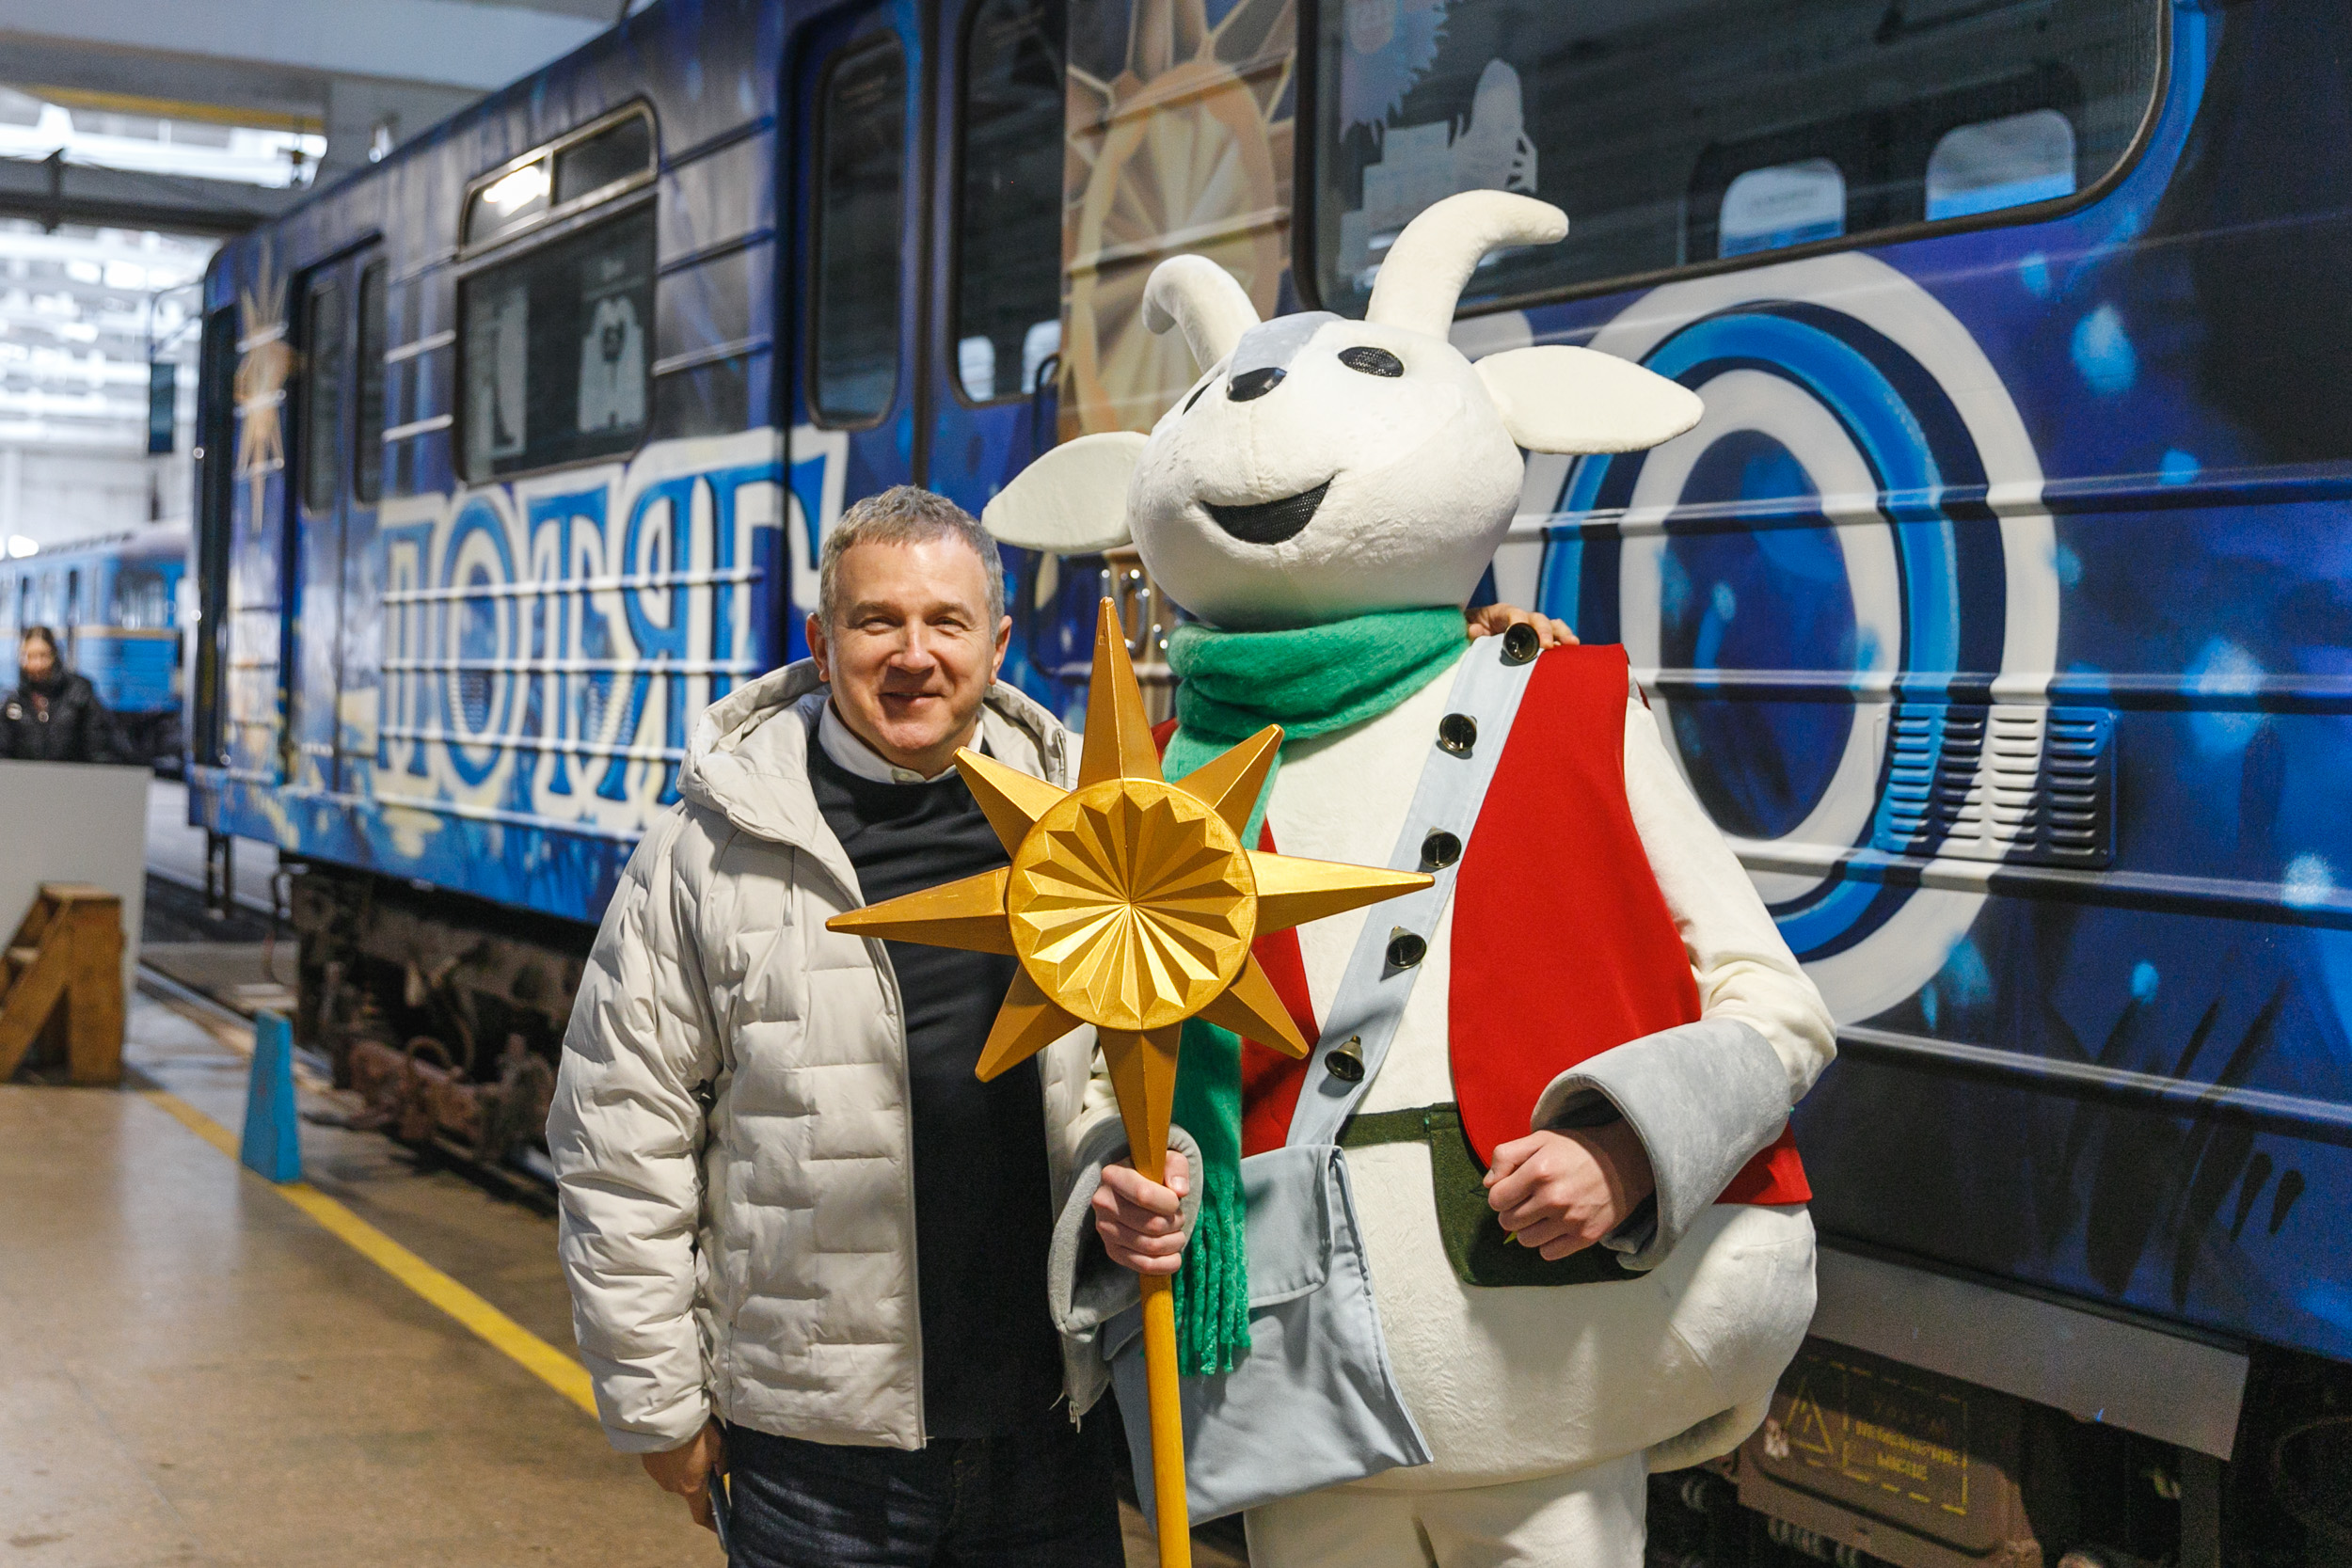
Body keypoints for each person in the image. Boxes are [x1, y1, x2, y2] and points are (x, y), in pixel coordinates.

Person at [547, 484, 1568, 1566]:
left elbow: (1305, 760)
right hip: (818, 1446)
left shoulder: (1106, 810)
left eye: (945, 622)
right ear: (820, 638)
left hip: (1052, 1426)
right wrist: (656, 1403)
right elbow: (621, 1136)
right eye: (875, 620)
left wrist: (1462, 656)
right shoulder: (709, 850)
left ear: (996, 644)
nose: (912, 654)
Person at [1, 626, 118, 764]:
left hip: (73, 774)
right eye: (29, 656)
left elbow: (99, 746)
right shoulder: (14, 701)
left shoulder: (79, 693)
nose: (37, 664)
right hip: (26, 775)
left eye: (43, 656)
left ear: (55, 655)